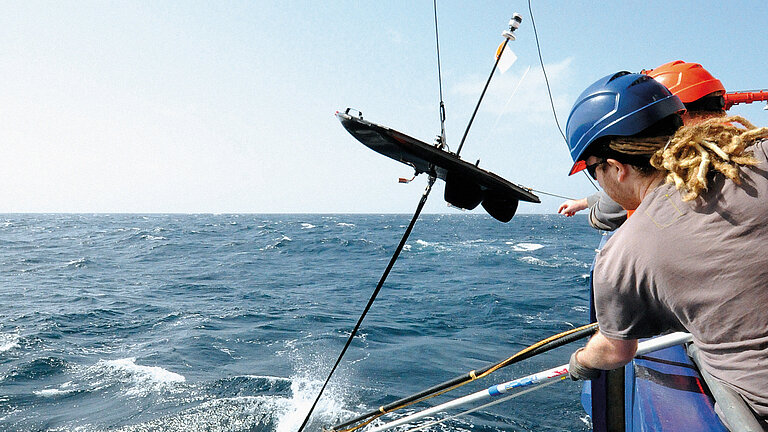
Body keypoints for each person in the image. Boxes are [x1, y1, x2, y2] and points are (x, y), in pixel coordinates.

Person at [563, 71, 768, 426]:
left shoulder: (622, 256)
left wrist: (580, 361)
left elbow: (615, 349)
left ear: (615, 167)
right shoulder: (761, 153)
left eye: (593, 171)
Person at [558, 61, 728, 231]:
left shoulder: (659, 178)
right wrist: (584, 202)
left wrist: (593, 211)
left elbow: (606, 213)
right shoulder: (734, 160)